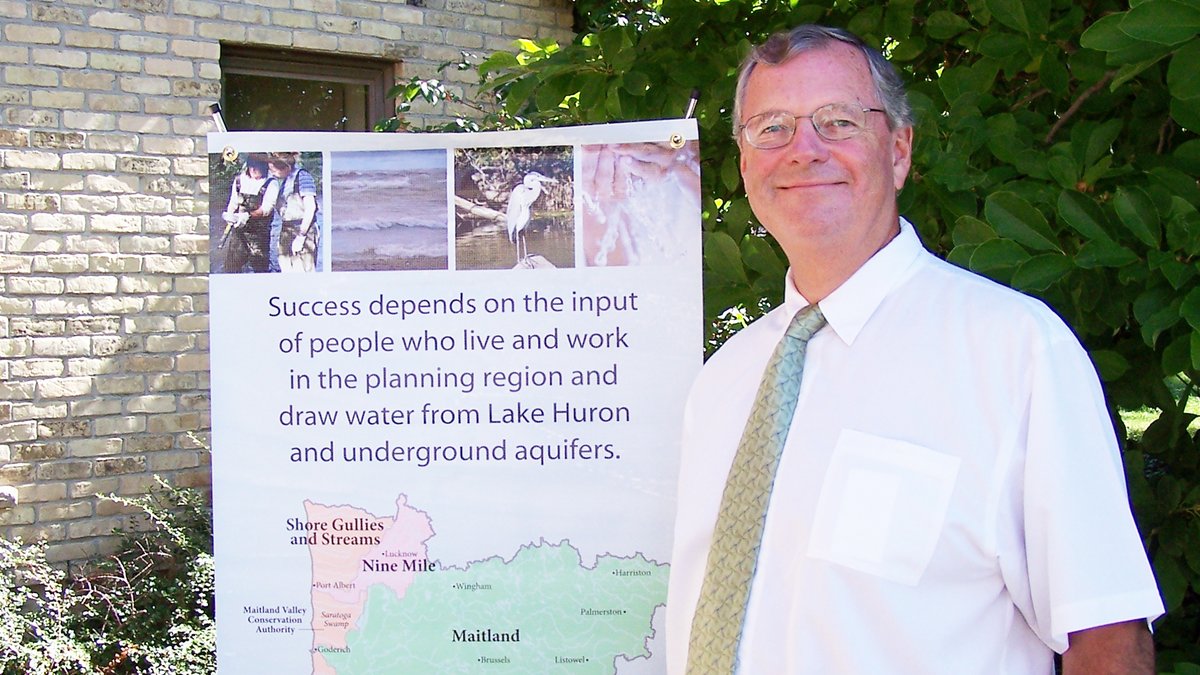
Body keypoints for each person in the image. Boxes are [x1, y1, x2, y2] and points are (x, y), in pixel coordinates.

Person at [666, 24, 1164, 675]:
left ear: (898, 150)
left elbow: (1105, 637)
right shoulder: (722, 381)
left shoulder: (1014, 351)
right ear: (744, 162)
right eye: (771, 128)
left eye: (838, 121)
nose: (802, 150)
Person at [265, 152, 319, 273]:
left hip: (304, 229)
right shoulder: (282, 181)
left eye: (274, 171)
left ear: (286, 168)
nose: (272, 174)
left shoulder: (302, 176)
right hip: (286, 229)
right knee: (285, 266)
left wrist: (301, 236)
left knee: (304, 269)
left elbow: (311, 208)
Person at [219, 154, 274, 273]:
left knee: (260, 269)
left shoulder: (271, 183)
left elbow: (266, 209)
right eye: (251, 167)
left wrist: (247, 216)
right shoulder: (239, 180)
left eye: (257, 167)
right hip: (239, 231)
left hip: (260, 234)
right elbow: (233, 202)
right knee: (232, 267)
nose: (253, 170)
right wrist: (230, 216)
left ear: (264, 167)